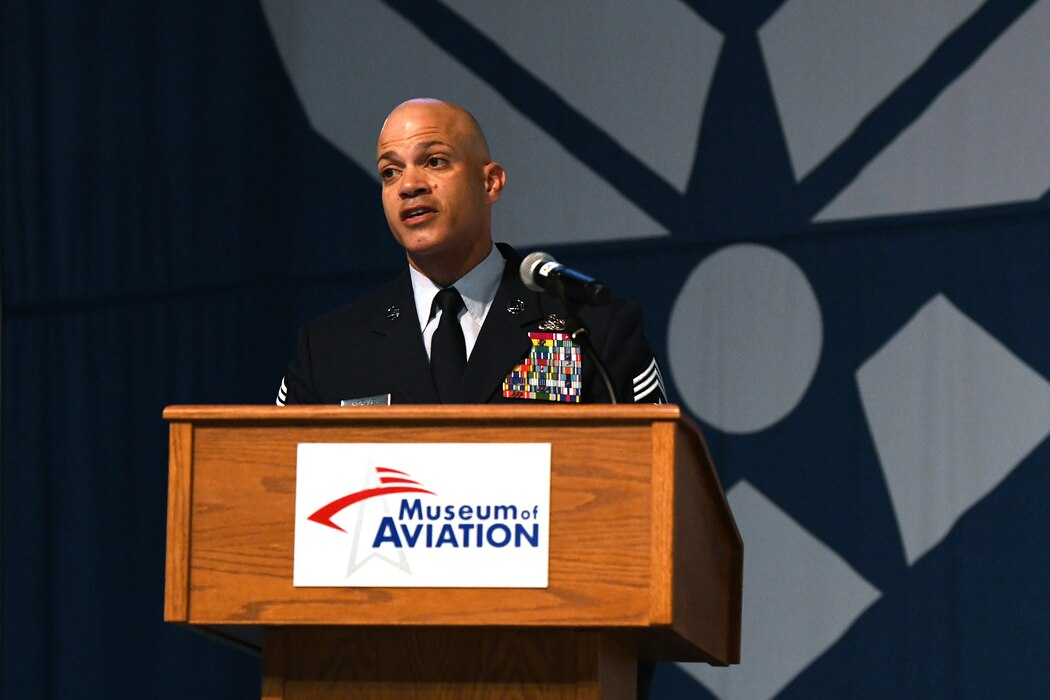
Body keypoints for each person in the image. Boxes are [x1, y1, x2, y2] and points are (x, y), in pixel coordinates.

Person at [276, 98, 666, 407]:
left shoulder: (592, 329)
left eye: (434, 161)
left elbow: (653, 482)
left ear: (491, 183)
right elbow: (276, 490)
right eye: (390, 172)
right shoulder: (330, 349)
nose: (408, 185)